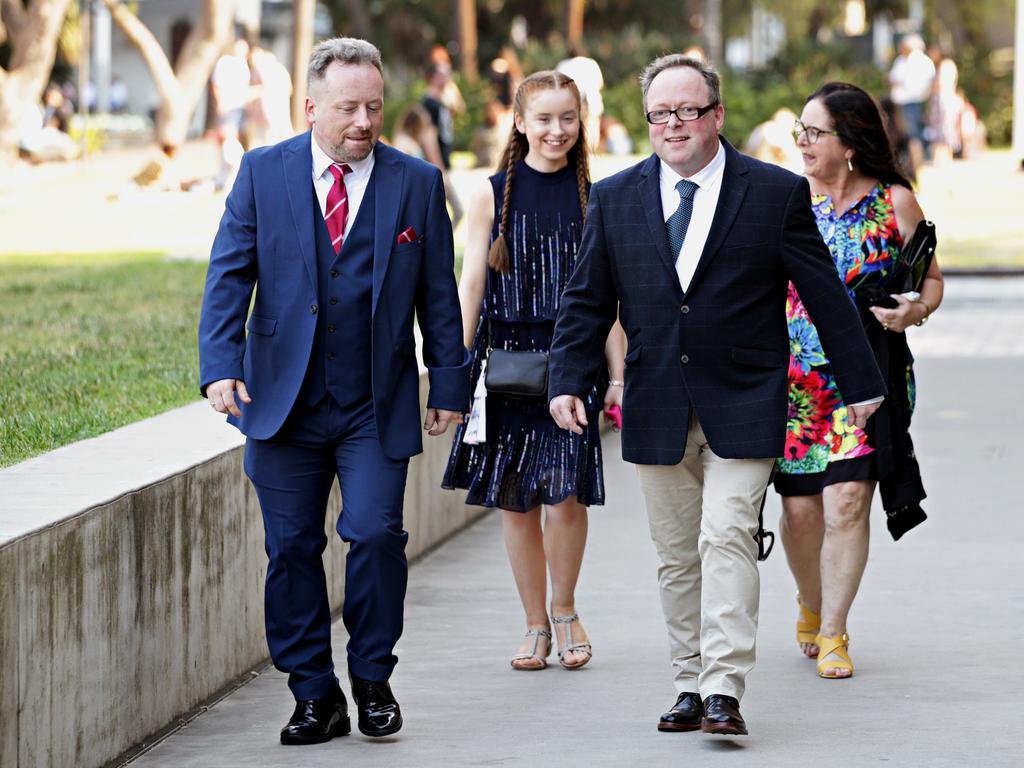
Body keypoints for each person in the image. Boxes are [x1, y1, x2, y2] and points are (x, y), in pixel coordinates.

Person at [547, 55, 885, 736]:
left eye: (688, 111)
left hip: (746, 397)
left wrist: (861, 384)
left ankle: (725, 685)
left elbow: (822, 290)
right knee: (677, 554)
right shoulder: (615, 197)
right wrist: (566, 378)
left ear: (716, 116)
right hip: (656, 401)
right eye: (661, 114)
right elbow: (587, 299)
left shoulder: (772, 193)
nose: (674, 125)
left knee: (726, 532)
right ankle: (689, 682)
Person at [198, 37, 470, 746]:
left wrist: (448, 380)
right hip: (280, 402)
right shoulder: (263, 172)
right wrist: (220, 364)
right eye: (348, 108)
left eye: (375, 107)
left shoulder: (416, 182)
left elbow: (439, 293)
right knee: (290, 549)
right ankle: (314, 694)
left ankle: (373, 677)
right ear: (310, 106)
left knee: (377, 534)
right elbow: (229, 276)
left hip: (372, 403)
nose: (364, 121)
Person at [443, 71, 625, 671]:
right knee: (516, 500)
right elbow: (471, 283)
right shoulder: (490, 194)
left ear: (581, 123)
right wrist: (455, 368)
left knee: (566, 495)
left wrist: (618, 376)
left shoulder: (598, 197)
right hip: (505, 368)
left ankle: (566, 610)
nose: (556, 130)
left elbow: (612, 301)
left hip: (573, 365)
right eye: (543, 118)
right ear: (519, 122)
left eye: (566, 119)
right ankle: (534, 625)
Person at [778, 82, 944, 680]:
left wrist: (913, 312)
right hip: (796, 386)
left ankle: (833, 631)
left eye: (813, 132)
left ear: (849, 143)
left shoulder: (895, 202)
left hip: (867, 384)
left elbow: (931, 282)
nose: (801, 140)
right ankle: (809, 600)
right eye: (800, 129)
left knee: (847, 502)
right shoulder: (786, 200)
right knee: (800, 515)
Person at [420, 62, 464, 226]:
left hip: (443, 165)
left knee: (435, 216)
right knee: (453, 212)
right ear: (434, 77)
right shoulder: (428, 104)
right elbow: (429, 138)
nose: (448, 78)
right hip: (436, 167)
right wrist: (439, 169)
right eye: (444, 74)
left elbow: (460, 108)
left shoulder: (441, 101)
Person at [211, 37, 253, 190]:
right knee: (227, 140)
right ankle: (229, 174)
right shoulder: (225, 62)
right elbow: (216, 84)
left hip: (241, 108)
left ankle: (226, 177)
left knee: (233, 139)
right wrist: (220, 102)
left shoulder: (244, 65)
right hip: (229, 107)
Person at [888, 34, 934, 171]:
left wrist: (902, 82)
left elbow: (917, 85)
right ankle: (910, 163)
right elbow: (892, 79)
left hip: (914, 103)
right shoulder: (901, 61)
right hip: (899, 103)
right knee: (903, 134)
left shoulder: (923, 62)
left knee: (915, 134)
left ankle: (919, 163)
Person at [556, 46, 605, 153]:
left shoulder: (563, 64)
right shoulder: (591, 63)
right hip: (590, 100)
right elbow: (600, 84)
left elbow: (557, 85)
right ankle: (589, 151)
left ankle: (573, 150)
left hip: (571, 101)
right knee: (591, 126)